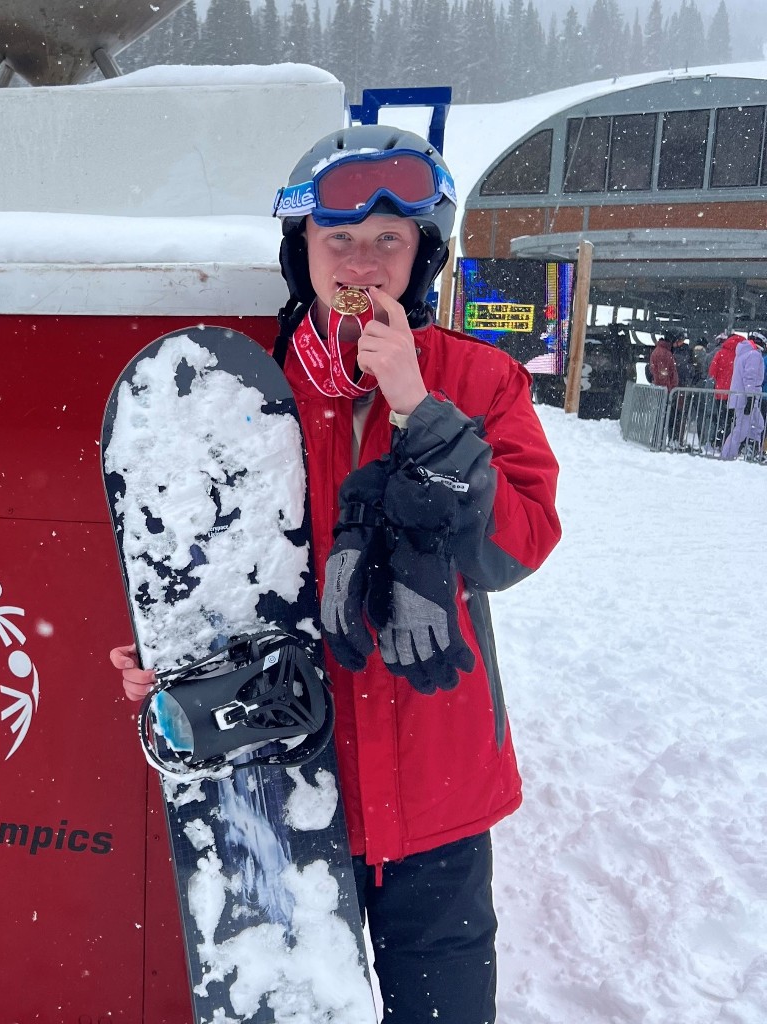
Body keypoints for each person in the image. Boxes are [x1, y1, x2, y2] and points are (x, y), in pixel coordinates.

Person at [110, 126, 561, 1024]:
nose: (364, 259)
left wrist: (420, 409)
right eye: (339, 240)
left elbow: (518, 546)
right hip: (284, 786)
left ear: (422, 253)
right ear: (302, 254)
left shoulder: (480, 380)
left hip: (438, 791)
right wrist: (168, 658)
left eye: (390, 239)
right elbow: (207, 577)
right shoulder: (242, 391)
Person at [720, 332, 766, 460]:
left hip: (742, 396)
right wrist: (750, 397)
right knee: (742, 428)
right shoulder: (754, 355)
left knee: (758, 424)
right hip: (747, 398)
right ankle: (727, 455)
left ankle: (750, 450)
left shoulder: (743, 353)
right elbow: (750, 377)